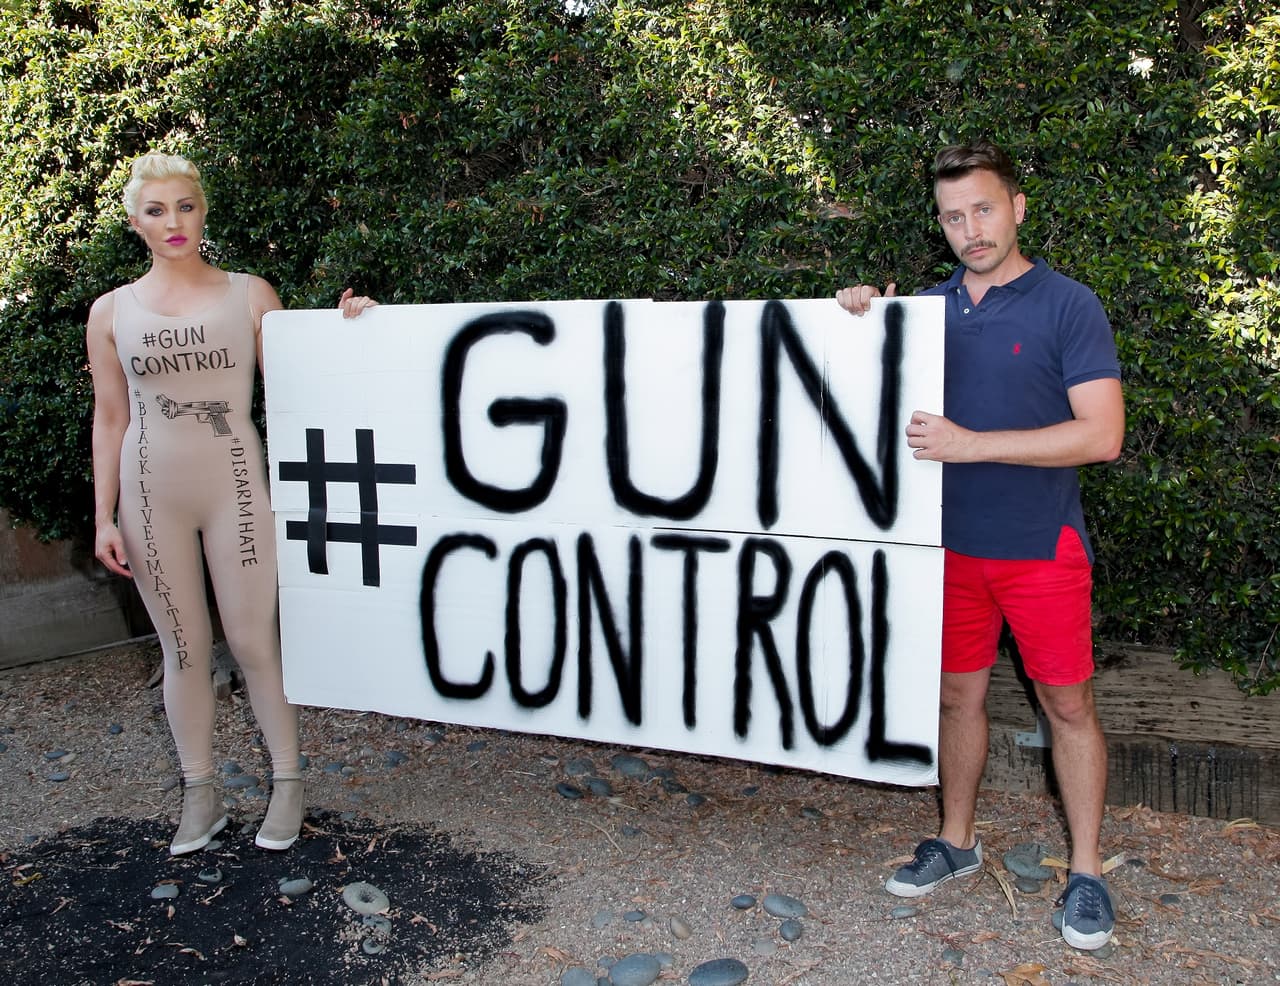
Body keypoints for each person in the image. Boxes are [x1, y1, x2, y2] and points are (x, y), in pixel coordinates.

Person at [837, 140, 1125, 950]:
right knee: (956, 700)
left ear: (1018, 207)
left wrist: (972, 443)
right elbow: (861, 394)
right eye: (954, 216)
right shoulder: (925, 312)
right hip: (945, 550)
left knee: (1066, 706)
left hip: (1040, 546)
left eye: (984, 209)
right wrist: (860, 316)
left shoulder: (1070, 305)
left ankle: (1088, 872)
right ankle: (957, 843)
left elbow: (1101, 435)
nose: (972, 228)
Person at [87, 152, 376, 855]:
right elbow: (110, 416)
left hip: (237, 485)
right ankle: (201, 794)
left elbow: (298, 384)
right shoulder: (110, 312)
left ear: (203, 210)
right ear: (135, 224)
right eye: (156, 210)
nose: (173, 221)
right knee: (184, 647)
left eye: (185, 205)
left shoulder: (250, 294)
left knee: (251, 641)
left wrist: (350, 329)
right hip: (151, 492)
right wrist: (102, 516)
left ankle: (287, 784)